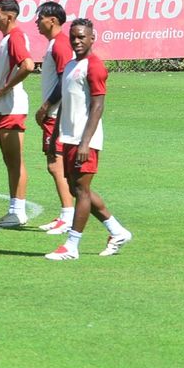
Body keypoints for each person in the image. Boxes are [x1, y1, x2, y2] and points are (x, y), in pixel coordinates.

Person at [39, 19, 132, 260]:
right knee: (76, 188)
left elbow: (99, 105)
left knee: (81, 190)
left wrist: (85, 142)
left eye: (82, 37)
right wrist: (54, 137)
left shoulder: (95, 66)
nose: (77, 41)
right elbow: (64, 104)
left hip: (85, 140)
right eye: (74, 37)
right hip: (69, 137)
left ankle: (71, 246)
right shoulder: (71, 65)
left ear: (92, 38)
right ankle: (117, 231)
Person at [0, 0, 35, 226]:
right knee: (11, 160)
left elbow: (28, 65)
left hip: (12, 108)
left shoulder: (15, 37)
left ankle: (18, 211)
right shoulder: (8, 39)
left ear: (10, 16)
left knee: (15, 161)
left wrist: (5, 88)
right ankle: (14, 210)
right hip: (6, 107)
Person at [33, 1, 76, 235]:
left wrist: (47, 106)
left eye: (40, 18)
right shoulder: (56, 44)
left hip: (56, 115)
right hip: (54, 114)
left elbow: (64, 80)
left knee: (54, 164)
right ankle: (65, 214)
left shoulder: (59, 45)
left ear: (52, 19)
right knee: (55, 164)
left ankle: (68, 216)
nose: (37, 22)